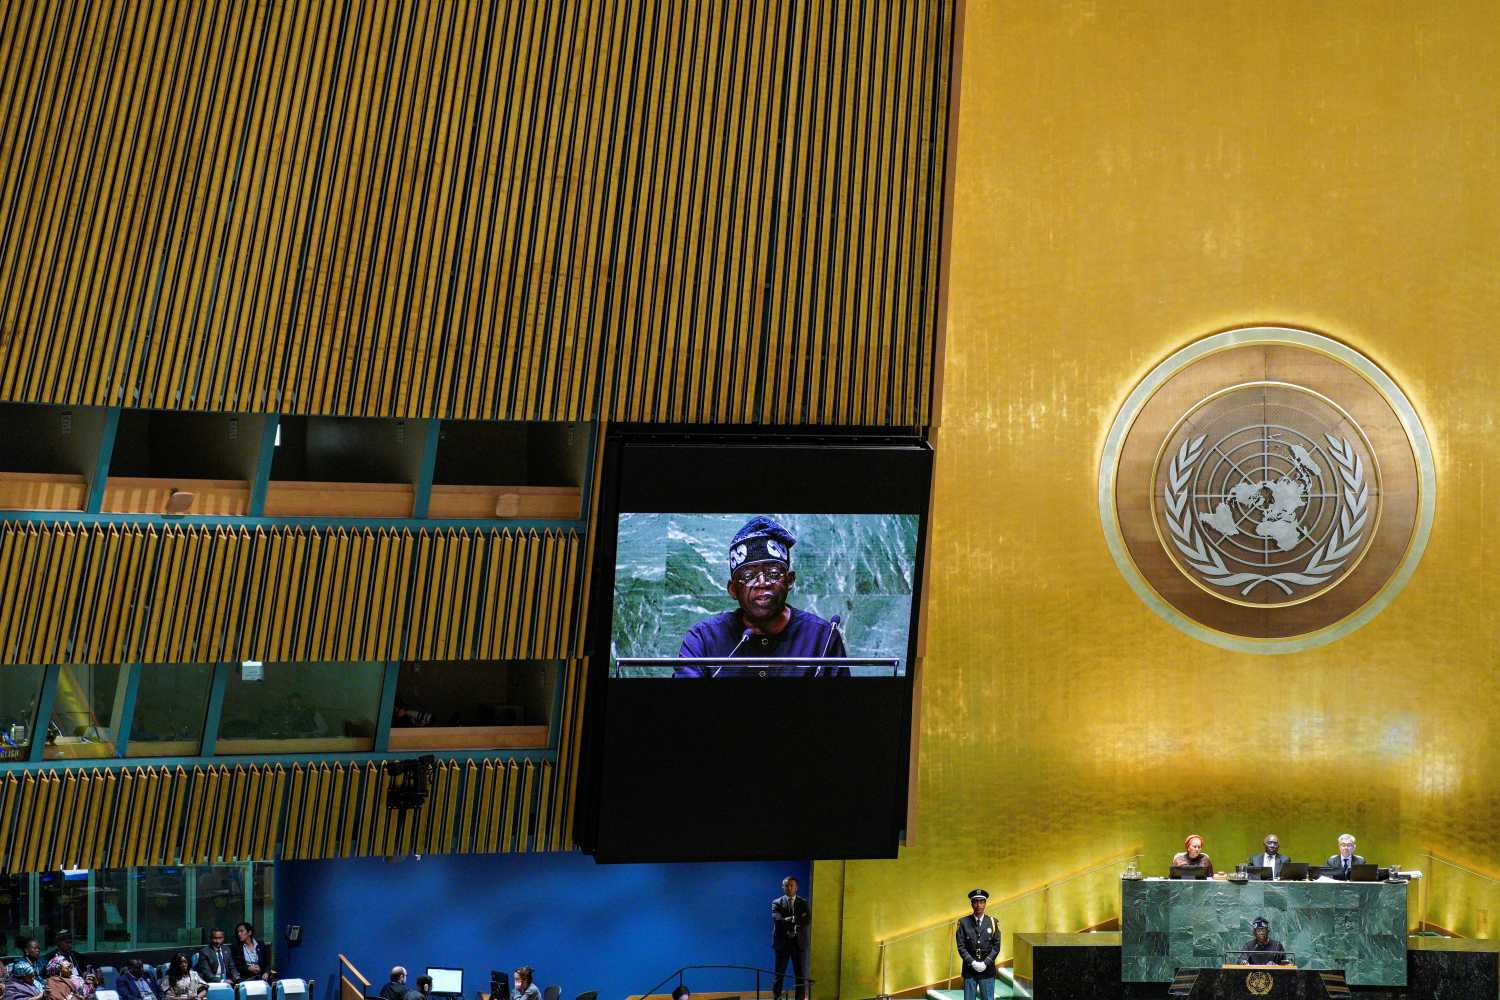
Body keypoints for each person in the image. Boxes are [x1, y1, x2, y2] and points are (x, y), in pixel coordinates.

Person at [675, 517, 850, 678]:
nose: (762, 583)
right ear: (733, 589)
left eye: (773, 573)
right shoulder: (703, 638)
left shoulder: (822, 637)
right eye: (749, 576)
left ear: (789, 581)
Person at [955, 889, 1001, 1000]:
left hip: (987, 970)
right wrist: (972, 962)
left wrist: (986, 963)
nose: (978, 905)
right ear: (971, 903)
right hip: (969, 971)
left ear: (985, 903)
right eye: (975, 902)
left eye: (981, 902)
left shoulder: (993, 922)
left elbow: (996, 946)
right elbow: (961, 946)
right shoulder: (963, 923)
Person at [771, 875, 811, 1000]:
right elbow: (777, 920)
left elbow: (807, 919)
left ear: (796, 887)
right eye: (786, 885)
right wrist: (795, 919)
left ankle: (799, 998)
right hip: (782, 944)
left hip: (798, 944)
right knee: (779, 974)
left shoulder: (803, 903)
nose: (789, 888)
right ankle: (777, 997)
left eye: (791, 885)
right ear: (783, 887)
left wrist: (791, 919)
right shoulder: (776, 902)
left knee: (800, 975)